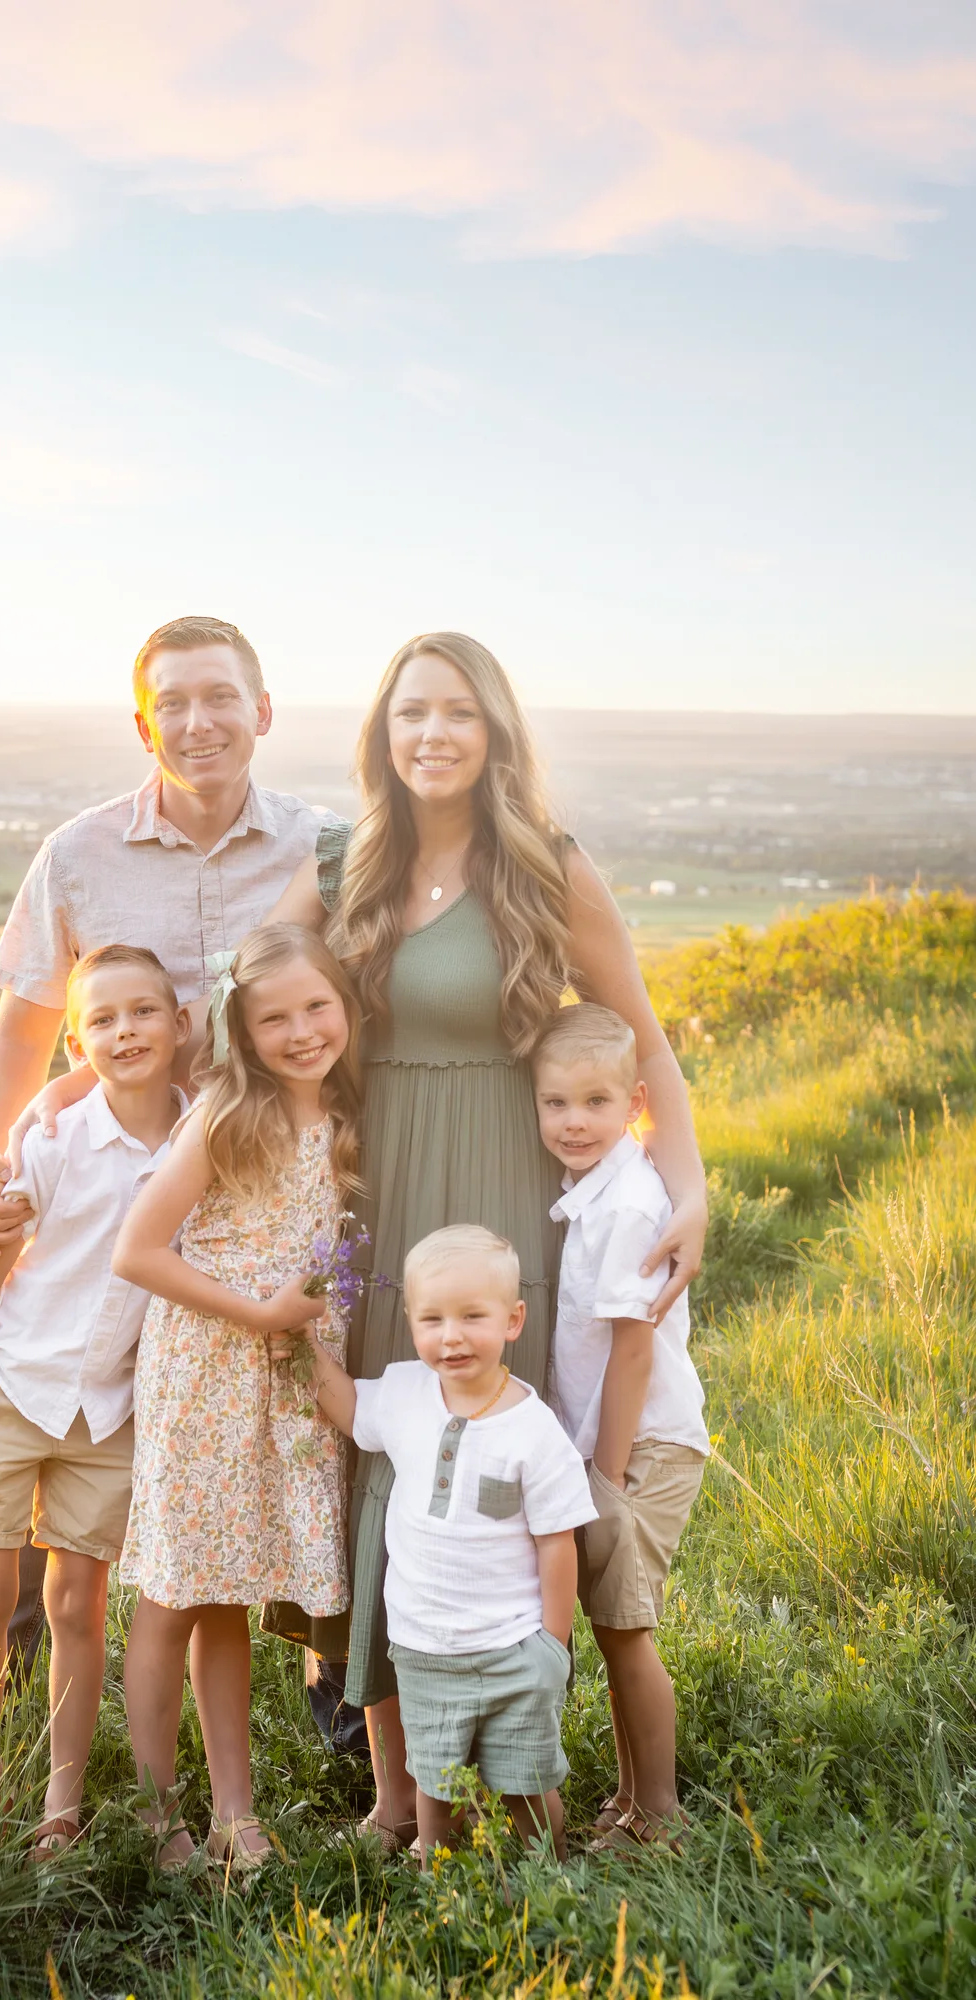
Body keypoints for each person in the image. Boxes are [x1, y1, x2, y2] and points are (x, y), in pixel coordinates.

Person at [270, 631, 708, 1851]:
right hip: (378, 1186)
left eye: (458, 712)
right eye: (411, 712)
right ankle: (394, 1793)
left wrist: (691, 1188)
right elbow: (244, 991)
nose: (432, 735)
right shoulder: (339, 859)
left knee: (493, 1439)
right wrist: (74, 1092)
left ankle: (523, 1760)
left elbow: (645, 1038)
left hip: (506, 1196)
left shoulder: (545, 865)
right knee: (385, 1449)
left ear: (494, 731)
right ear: (381, 732)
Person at [0, 615, 338, 1667]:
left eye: (219, 696)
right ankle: (25, 1718)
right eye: (171, 702)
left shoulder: (326, 845)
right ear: (143, 724)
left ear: (261, 712)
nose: (197, 720)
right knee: (73, 1402)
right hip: (121, 1194)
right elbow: (26, 1030)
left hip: (277, 1192)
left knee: (305, 1425)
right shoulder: (78, 854)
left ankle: (332, 1691)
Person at [0, 944, 189, 1859]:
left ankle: (58, 1806)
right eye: (103, 1020)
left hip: (109, 1410)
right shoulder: (53, 1137)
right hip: (6, 1387)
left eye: (143, 1012)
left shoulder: (200, 1142)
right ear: (76, 1042)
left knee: (79, 1606)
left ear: (180, 1024)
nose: (125, 1033)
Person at [110, 923, 361, 1873]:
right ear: (239, 1030)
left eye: (316, 1007)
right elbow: (137, 1250)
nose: (300, 1031)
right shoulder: (225, 1114)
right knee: (175, 1592)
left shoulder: (346, 1112)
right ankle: (154, 1815)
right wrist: (258, 1314)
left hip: (290, 1379)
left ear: (345, 1007)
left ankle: (235, 1814)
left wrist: (288, 1328)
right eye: (274, 1018)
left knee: (232, 1593)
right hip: (207, 1374)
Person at [299, 1224, 596, 1860]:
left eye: (472, 1316)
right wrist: (303, 1343)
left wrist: (553, 1646)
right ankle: (437, 1866)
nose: (451, 1335)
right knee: (432, 1778)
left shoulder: (533, 1430)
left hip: (512, 1647)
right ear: (410, 1322)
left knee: (526, 1781)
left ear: (513, 1320)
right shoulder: (406, 1391)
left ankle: (553, 1870)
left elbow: (557, 1543)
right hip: (423, 1645)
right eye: (431, 1318)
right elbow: (349, 1407)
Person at [532, 1002, 709, 1851]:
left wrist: (601, 1476)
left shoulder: (627, 1205)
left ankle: (660, 1816)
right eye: (554, 1103)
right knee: (610, 1628)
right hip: (615, 1443)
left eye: (595, 1103)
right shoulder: (587, 1189)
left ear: (635, 1101)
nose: (572, 1121)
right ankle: (632, 1800)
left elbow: (631, 1354)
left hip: (636, 1446)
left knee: (628, 1636)